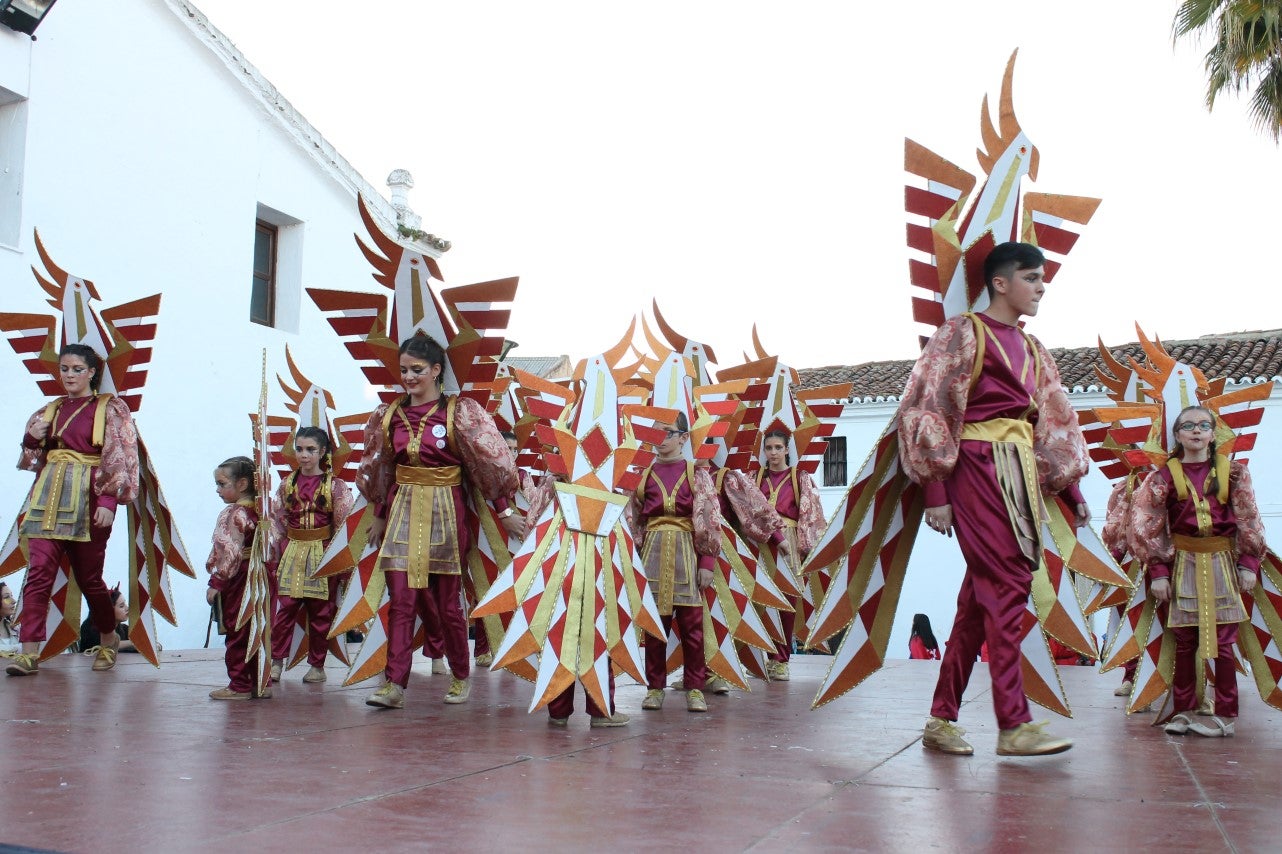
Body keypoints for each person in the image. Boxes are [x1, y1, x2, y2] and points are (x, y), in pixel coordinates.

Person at [901, 242, 1088, 757]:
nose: (1041, 287)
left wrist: (1069, 487)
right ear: (1000, 283)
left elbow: (1051, 419)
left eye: (1043, 279)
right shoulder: (962, 333)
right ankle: (1015, 723)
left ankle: (941, 719)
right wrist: (936, 489)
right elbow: (928, 404)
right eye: (1032, 277)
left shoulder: (1034, 349)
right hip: (976, 465)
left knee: (978, 604)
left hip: (1021, 471)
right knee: (1008, 583)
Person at [359, 335, 522, 710]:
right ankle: (393, 684)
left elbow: (485, 466)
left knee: (448, 603)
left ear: (436, 371)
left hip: (446, 513)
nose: (409, 377)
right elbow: (384, 470)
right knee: (400, 600)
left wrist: (506, 512)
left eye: (417, 370)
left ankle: (461, 674)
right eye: (404, 370)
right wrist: (381, 517)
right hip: (402, 511)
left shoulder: (459, 413)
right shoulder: (389, 415)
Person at [1131, 405, 1265, 738]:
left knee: (1223, 642)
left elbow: (1248, 518)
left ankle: (1226, 714)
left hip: (1222, 562)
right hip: (1182, 564)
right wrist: (1159, 571)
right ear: (1176, 435)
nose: (1196, 430)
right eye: (1188, 425)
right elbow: (1149, 527)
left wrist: (1248, 564)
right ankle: (1183, 710)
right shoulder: (1161, 478)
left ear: (1212, 434)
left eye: (1204, 425)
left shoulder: (1233, 473)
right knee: (1185, 641)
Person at [6, 343, 138, 677]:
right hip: (48, 496)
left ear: (92, 372)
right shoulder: (48, 410)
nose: (69, 375)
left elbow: (119, 458)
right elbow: (29, 461)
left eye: (77, 369)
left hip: (90, 497)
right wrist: (31, 439)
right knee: (37, 575)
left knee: (89, 579)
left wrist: (109, 502)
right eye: (64, 369)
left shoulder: (110, 409)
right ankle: (29, 653)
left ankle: (108, 638)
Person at [632, 413, 723, 713]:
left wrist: (707, 562)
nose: (660, 439)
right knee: (655, 627)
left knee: (692, 627)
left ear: (684, 437)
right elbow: (636, 522)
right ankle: (654, 687)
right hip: (653, 555)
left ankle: (695, 688)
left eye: (667, 433)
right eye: (655, 432)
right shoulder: (643, 475)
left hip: (686, 551)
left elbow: (709, 518)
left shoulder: (696, 474)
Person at [269, 426, 355, 684]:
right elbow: (278, 521)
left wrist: (341, 563)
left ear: (323, 452)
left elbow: (343, 525)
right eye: (299, 449)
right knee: (286, 609)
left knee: (321, 613)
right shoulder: (287, 484)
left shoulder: (335, 486)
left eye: (310, 450)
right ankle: (276, 662)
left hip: (322, 552)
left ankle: (317, 666)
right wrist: (275, 552)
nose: (303, 455)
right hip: (293, 552)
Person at [756, 429, 822, 681]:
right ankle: (763, 655)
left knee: (787, 599)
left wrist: (805, 548)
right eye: (769, 448)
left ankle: (781, 659)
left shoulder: (800, 478)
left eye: (777, 448)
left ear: (787, 450)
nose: (773, 453)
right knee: (760, 597)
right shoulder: (755, 478)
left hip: (790, 541)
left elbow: (810, 513)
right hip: (762, 541)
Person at [206, 456, 271, 700]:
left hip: (239, 577)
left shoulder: (233, 514)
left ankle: (239, 685)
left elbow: (229, 552)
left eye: (222, 484)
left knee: (237, 629)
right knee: (258, 628)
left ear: (242, 484)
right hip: (261, 576)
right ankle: (258, 683)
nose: (218, 490)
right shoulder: (263, 510)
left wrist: (216, 583)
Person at [78, 586, 137, 654]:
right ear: (108, 610)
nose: (127, 608)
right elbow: (106, 646)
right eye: (121, 606)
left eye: (125, 604)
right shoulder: (89, 628)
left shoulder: (124, 629)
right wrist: (132, 643)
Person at [0, 582, 19, 655]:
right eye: (7, 597)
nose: (14, 601)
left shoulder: (17, 628)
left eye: (11, 596)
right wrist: (21, 648)